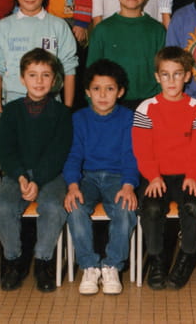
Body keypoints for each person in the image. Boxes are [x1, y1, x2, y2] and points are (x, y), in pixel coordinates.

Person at [0, 48, 72, 293]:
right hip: (17, 175)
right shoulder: (11, 111)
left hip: (51, 175)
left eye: (45, 75)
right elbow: (5, 150)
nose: (39, 81)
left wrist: (38, 179)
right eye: (32, 75)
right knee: (1, 207)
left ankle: (43, 262)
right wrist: (21, 176)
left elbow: (58, 152)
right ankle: (14, 261)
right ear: (22, 78)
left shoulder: (61, 113)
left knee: (53, 207)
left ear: (55, 79)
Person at [132, 46, 196, 290]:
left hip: (187, 175)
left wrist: (194, 176)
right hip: (156, 175)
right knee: (152, 207)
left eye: (177, 74)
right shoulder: (146, 108)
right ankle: (156, 259)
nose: (172, 80)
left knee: (195, 207)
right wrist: (153, 177)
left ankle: (187, 257)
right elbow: (142, 150)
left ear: (187, 75)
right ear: (157, 77)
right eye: (165, 75)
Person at [63, 59, 138, 295]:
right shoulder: (79, 118)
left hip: (117, 176)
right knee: (75, 207)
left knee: (125, 208)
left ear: (120, 91)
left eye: (109, 89)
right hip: (87, 177)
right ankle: (89, 266)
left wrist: (128, 185)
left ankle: (112, 266)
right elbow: (73, 155)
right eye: (96, 89)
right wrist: (72, 185)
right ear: (87, 91)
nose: (103, 95)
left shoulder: (128, 118)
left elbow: (131, 155)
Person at [0, 0, 78, 111]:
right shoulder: (1, 28)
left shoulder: (59, 26)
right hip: (12, 104)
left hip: (51, 105)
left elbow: (69, 69)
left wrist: (67, 110)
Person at [86, 0, 166, 109]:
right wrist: (94, 107)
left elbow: (164, 71)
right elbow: (91, 73)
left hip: (150, 104)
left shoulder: (157, 30)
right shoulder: (102, 30)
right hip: (112, 105)